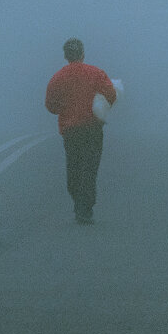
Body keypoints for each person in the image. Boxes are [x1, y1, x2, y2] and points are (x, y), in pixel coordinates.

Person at [44, 38, 117, 224]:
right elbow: (111, 94)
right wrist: (99, 106)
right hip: (92, 128)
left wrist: (65, 107)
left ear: (66, 55)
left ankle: (78, 203)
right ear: (83, 53)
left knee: (74, 166)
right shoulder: (96, 73)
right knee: (90, 168)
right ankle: (86, 207)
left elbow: (50, 106)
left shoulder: (57, 77)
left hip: (71, 130)